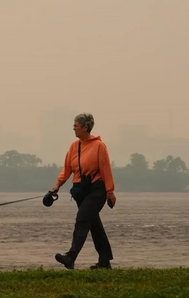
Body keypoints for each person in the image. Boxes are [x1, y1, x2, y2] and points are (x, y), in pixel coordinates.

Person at [49, 113, 116, 270]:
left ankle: (71, 257)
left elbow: (106, 169)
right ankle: (105, 261)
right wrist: (57, 185)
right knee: (94, 225)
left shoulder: (99, 146)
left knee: (82, 219)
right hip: (80, 190)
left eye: (76, 126)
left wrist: (109, 191)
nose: (74, 128)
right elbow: (67, 168)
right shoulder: (74, 146)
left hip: (97, 189)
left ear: (85, 127)